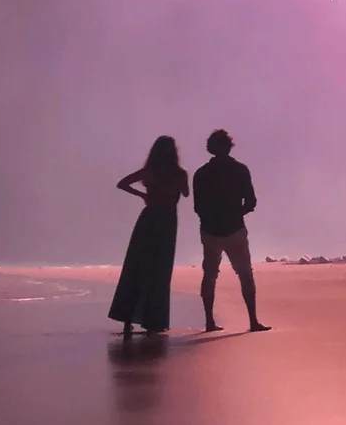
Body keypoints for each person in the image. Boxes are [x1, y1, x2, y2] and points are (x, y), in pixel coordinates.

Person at [109, 135, 189, 339]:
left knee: (137, 266)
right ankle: (155, 320)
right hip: (168, 219)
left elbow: (122, 183)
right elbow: (186, 193)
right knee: (160, 269)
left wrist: (144, 195)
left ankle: (127, 318)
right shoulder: (179, 173)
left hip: (149, 217)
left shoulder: (149, 171)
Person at [193, 129, 269, 332]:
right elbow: (251, 201)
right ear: (229, 146)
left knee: (210, 275)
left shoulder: (201, 174)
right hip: (235, 228)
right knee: (245, 274)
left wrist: (211, 217)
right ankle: (253, 321)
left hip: (210, 230)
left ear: (210, 148)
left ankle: (209, 321)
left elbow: (198, 207)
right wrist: (237, 213)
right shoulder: (240, 170)